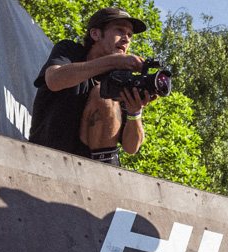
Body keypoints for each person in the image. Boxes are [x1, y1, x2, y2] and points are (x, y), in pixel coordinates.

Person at [30, 8, 159, 165]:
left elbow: (131, 147)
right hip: (48, 158)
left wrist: (135, 112)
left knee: (107, 97)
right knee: (102, 94)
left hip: (91, 173)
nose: (126, 39)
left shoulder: (121, 78)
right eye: (119, 30)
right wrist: (112, 61)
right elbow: (54, 80)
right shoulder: (71, 51)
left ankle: (102, 173)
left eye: (130, 35)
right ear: (95, 34)